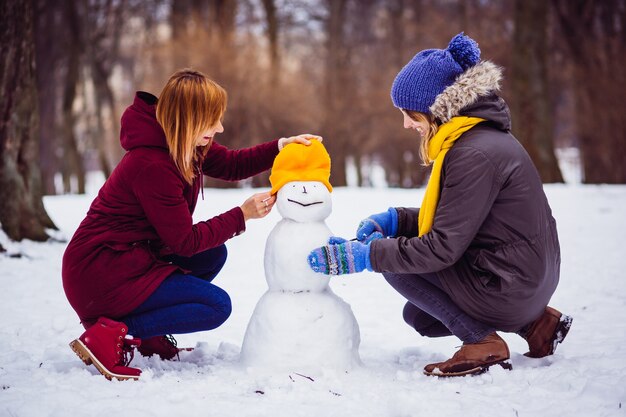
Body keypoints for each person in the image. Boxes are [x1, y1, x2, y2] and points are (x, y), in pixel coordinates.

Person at [308, 33, 572, 377]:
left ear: (436, 108)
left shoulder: (473, 153)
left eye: (410, 113)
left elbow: (441, 248)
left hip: (510, 284)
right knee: (419, 317)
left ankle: (483, 342)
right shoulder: (481, 139)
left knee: (393, 260)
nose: (406, 123)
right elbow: (463, 220)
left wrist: (367, 255)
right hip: (524, 279)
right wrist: (395, 220)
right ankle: (537, 325)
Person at [63, 69, 321, 380]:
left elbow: (231, 164)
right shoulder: (152, 166)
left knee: (213, 255)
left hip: (129, 257)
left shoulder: (185, 145)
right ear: (190, 119)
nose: (220, 127)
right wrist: (242, 215)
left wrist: (281, 145)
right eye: (213, 120)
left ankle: (148, 338)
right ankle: (112, 335)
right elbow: (183, 242)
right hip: (101, 272)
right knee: (215, 306)